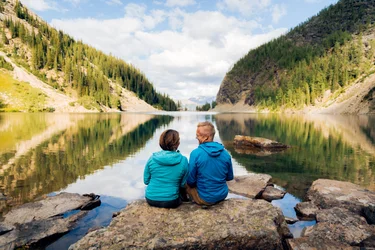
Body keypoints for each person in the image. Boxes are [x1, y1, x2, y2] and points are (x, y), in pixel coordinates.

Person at [186, 121, 234, 206]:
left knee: (184, 183)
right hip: (222, 195)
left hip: (205, 198)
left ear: (206, 137)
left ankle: (189, 202)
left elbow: (191, 181)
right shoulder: (226, 153)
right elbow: (229, 177)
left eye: (198, 135)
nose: (196, 137)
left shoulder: (196, 153)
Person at [143, 129, 188, 208]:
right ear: (177, 144)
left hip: (151, 199)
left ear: (161, 142)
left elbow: (146, 181)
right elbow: (183, 184)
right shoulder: (183, 160)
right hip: (171, 201)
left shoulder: (152, 158)